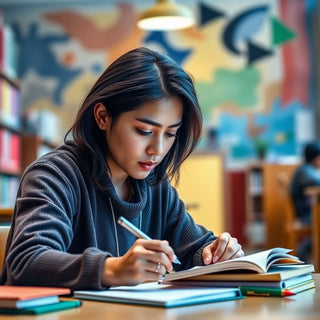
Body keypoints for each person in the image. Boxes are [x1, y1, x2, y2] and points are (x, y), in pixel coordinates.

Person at [1, 47, 243, 290]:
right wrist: (113, 268)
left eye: (170, 133)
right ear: (103, 117)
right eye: (144, 131)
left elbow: (195, 247)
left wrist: (215, 253)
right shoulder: (54, 175)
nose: (157, 149)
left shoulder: (155, 186)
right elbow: (26, 262)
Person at [290, 141, 320, 261]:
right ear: (316, 157)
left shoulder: (306, 169)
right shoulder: (304, 171)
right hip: (305, 215)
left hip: (307, 212)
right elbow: (317, 182)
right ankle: (303, 251)